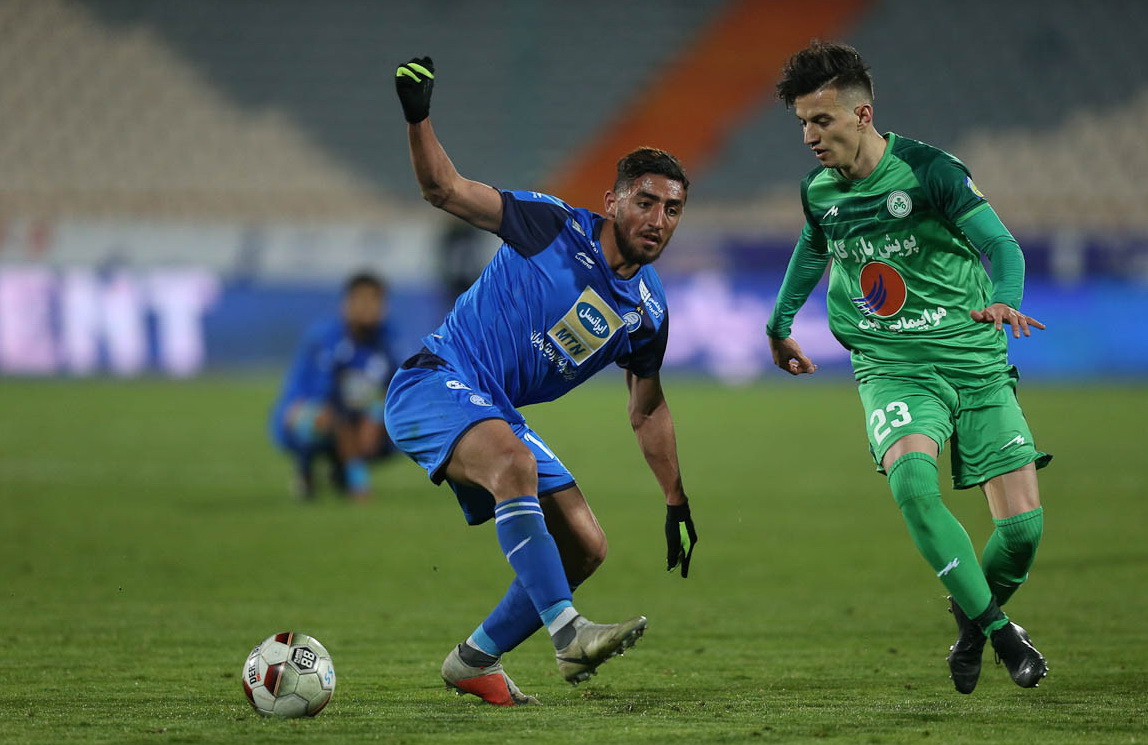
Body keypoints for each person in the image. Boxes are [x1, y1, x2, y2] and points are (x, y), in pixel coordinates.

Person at [385, 56, 698, 706]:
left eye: (672, 209)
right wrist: (418, 117)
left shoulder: (648, 310)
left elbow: (647, 408)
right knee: (514, 462)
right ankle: (568, 633)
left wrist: (674, 496)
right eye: (645, 202)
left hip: (494, 408)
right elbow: (444, 189)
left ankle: (475, 659)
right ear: (612, 201)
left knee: (585, 545)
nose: (658, 219)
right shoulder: (550, 225)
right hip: (433, 381)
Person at [765, 41, 1051, 694]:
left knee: (1022, 533)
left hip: (974, 362)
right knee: (914, 486)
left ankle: (971, 624)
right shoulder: (818, 192)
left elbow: (1000, 244)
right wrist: (778, 325)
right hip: (891, 367)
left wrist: (1004, 297)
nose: (809, 137)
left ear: (862, 115)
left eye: (821, 121)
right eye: (803, 123)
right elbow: (814, 247)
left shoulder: (930, 172)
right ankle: (1003, 635)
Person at [270, 271, 398, 501]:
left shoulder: (389, 340)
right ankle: (311, 470)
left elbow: (397, 387)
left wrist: (376, 415)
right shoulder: (325, 339)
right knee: (328, 418)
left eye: (375, 300)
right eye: (361, 300)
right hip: (312, 413)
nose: (368, 308)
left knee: (399, 424)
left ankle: (341, 470)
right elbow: (321, 394)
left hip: (359, 414)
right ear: (346, 304)